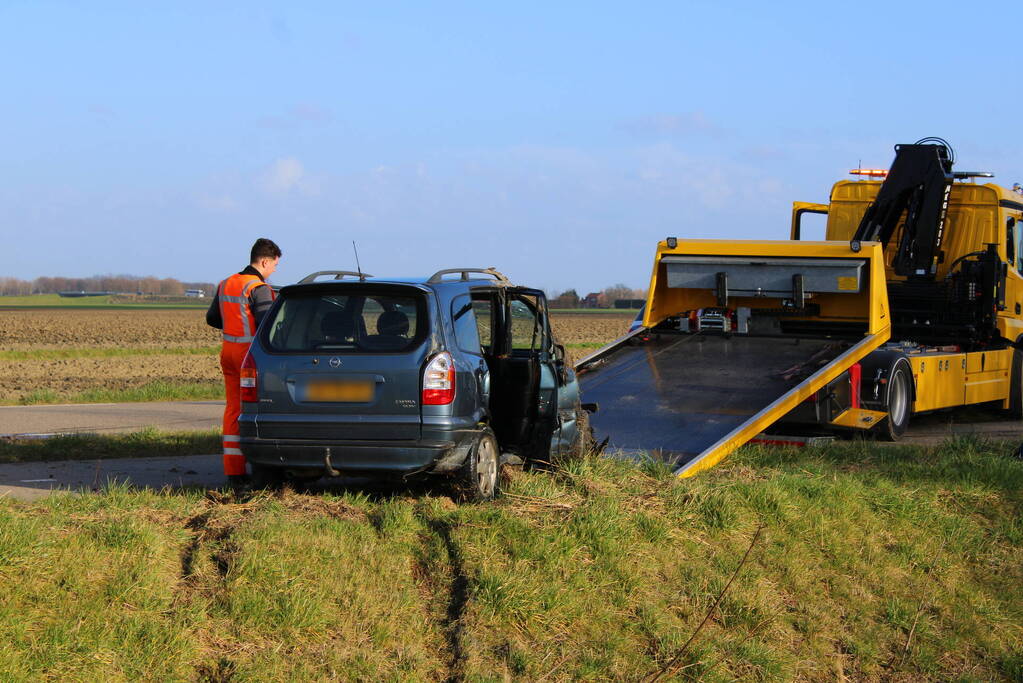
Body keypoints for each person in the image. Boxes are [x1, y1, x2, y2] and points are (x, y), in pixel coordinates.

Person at [206, 238, 282, 491]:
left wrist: (234, 326)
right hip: (248, 355)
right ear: (264, 261)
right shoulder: (258, 288)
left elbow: (212, 318)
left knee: (232, 408)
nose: (273, 271)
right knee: (257, 408)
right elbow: (267, 325)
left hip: (227, 351)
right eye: (273, 266)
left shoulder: (226, 283)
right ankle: (262, 467)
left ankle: (234, 472)